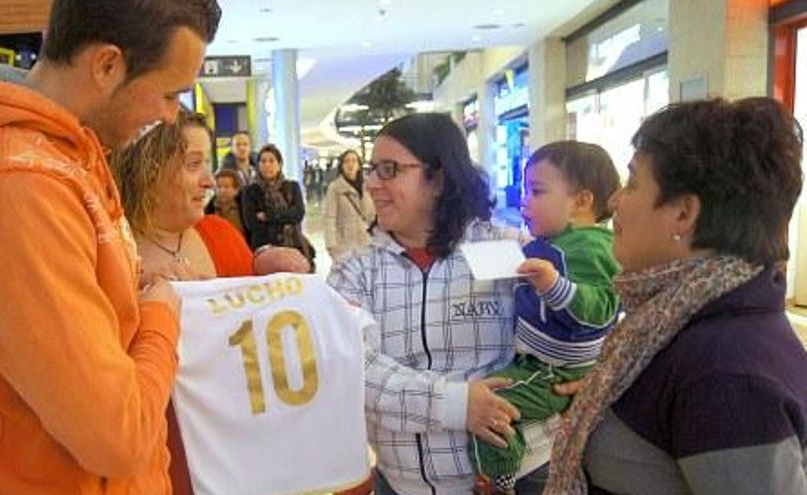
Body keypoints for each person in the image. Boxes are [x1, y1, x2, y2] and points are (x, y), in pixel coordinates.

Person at [0, 0, 221, 492]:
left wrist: (134, 292)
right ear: (106, 65)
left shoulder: (66, 160)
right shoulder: (15, 183)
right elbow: (116, 435)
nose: (170, 117)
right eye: (169, 95)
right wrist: (161, 314)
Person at [544, 97, 807, 495]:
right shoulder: (673, 325)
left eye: (632, 182)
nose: (614, 202)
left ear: (684, 214)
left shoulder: (725, 375)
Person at [328, 113, 566, 495]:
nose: (372, 184)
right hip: (402, 484)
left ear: (437, 179)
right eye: (372, 170)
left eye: (388, 170)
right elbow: (355, 369)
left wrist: (586, 368)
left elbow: (577, 319)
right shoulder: (355, 271)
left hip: (518, 477)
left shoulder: (511, 250)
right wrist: (457, 404)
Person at [112, 110, 310, 495]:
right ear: (147, 168)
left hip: (234, 452)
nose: (209, 181)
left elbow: (260, 344)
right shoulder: (112, 253)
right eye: (193, 164)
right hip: (154, 455)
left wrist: (269, 267)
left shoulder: (219, 235)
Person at [469, 141, 621, 494]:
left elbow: (601, 309)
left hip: (553, 371)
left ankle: (500, 478)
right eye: (525, 191)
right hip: (539, 364)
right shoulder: (553, 241)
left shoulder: (591, 246)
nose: (525, 201)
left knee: (493, 408)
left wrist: (553, 285)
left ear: (581, 201)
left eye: (537, 191)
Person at [242, 144, 314, 267]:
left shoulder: (292, 187)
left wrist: (268, 216)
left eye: (271, 161)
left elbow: (298, 214)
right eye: (263, 161)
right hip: (264, 252)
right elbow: (251, 223)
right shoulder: (250, 191)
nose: (267, 165)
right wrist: (285, 216)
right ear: (258, 165)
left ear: (279, 164)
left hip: (294, 248)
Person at [323, 149, 376, 261]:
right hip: (344, 244)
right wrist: (331, 245)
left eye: (354, 161)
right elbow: (329, 218)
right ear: (341, 166)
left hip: (367, 241)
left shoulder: (368, 186)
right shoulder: (335, 188)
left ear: (359, 165)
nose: (350, 164)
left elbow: (374, 214)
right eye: (346, 161)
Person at [205, 168, 247, 237]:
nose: (222, 190)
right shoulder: (210, 209)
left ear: (236, 190)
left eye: (226, 187)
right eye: (219, 187)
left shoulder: (243, 208)